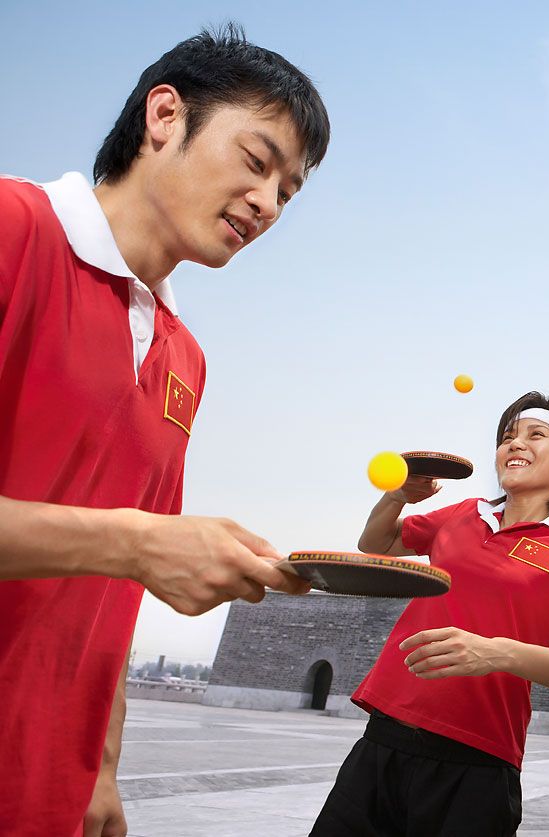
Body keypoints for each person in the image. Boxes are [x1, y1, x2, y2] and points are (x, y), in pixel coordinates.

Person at [0, 25, 330, 835]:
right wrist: (141, 543)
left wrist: (101, 764)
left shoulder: (186, 359)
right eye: (257, 163)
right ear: (164, 115)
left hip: (47, 777)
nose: (267, 203)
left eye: (288, 192)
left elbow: (113, 586)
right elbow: (131, 546)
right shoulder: (13, 228)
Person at [312, 392, 549, 836]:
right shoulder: (463, 515)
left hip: (477, 762)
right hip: (384, 738)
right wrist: (397, 496)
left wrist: (496, 653)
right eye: (508, 437)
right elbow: (376, 544)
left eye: (536, 435)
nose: (515, 444)